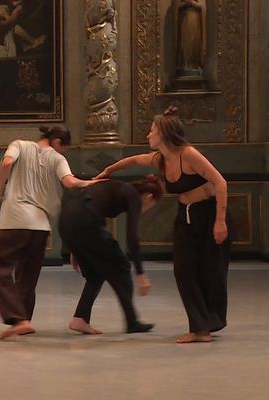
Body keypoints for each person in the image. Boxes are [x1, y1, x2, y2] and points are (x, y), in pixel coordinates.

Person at [95, 106, 230, 343]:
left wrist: (220, 221)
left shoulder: (189, 155)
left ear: (164, 134)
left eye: (151, 131)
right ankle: (199, 327)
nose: (148, 135)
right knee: (183, 270)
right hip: (184, 216)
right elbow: (133, 160)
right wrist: (106, 171)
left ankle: (207, 325)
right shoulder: (160, 159)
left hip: (208, 214)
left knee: (211, 271)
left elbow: (220, 183)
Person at [0, 126, 102, 340]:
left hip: (15, 219)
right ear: (57, 142)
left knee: (0, 267)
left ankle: (17, 319)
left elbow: (8, 162)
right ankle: (25, 320)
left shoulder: (19, 144)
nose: (62, 152)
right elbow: (71, 182)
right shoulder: (57, 159)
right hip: (40, 225)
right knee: (28, 275)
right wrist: (95, 182)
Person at [59, 176, 163, 335]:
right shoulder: (134, 196)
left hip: (66, 222)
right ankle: (132, 322)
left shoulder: (118, 188)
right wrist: (141, 273)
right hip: (86, 223)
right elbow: (132, 238)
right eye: (151, 206)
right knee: (122, 266)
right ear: (149, 197)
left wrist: (75, 248)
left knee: (95, 275)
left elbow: (82, 207)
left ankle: (80, 318)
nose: (148, 208)